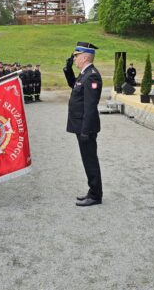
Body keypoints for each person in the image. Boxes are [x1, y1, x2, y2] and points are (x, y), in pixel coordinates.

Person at [63, 41, 103, 207]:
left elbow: (90, 105)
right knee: (87, 160)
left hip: (85, 128)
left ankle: (95, 195)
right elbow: (75, 85)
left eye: (76, 55)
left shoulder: (92, 75)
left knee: (90, 160)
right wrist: (68, 70)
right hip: (81, 126)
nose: (74, 58)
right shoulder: (84, 74)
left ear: (85, 57)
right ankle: (92, 191)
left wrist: (86, 130)